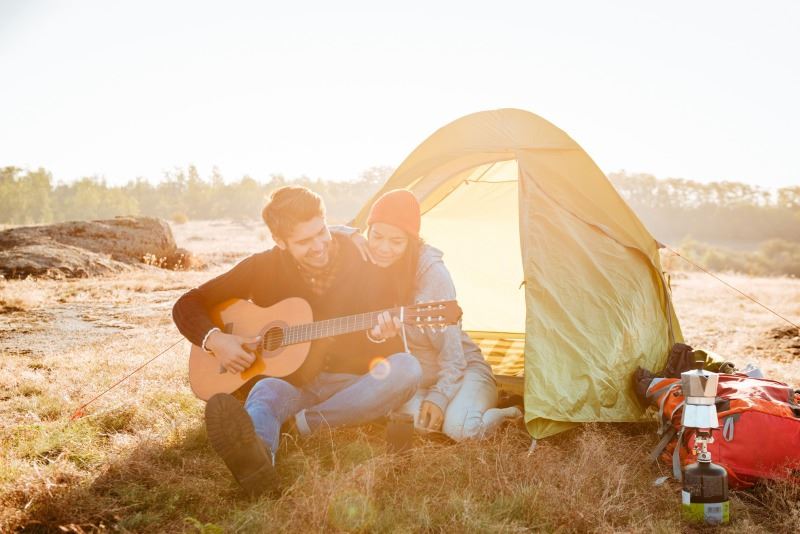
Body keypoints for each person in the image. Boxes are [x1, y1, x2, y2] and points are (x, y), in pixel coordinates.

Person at [172, 186, 422, 496]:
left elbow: (382, 351)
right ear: (280, 242)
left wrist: (377, 334)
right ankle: (258, 460)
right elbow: (188, 303)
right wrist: (217, 340)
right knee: (265, 393)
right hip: (292, 384)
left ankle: (304, 424)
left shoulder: (364, 261)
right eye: (304, 241)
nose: (319, 246)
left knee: (407, 369)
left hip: (349, 382)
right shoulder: (262, 267)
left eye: (321, 232)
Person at [335, 189, 521, 441]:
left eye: (396, 241)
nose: (383, 248)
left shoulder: (432, 276)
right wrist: (351, 235)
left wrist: (439, 397)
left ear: (411, 240)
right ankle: (454, 410)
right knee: (416, 425)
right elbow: (320, 234)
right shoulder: (370, 261)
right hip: (417, 381)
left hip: (463, 371)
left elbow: (454, 357)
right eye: (376, 236)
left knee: (461, 430)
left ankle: (508, 412)